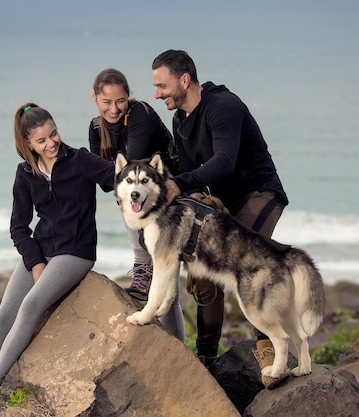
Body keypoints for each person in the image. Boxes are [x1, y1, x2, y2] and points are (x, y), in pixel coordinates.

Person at [151, 49, 290, 389]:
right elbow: (188, 171)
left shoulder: (223, 106)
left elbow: (224, 161)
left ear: (185, 80)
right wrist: (191, 195)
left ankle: (269, 349)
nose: (157, 94)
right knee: (205, 271)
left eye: (161, 85)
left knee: (249, 265)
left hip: (260, 195)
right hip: (224, 204)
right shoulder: (180, 119)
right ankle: (206, 358)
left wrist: (180, 184)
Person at [0, 103, 116, 403]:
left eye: (54, 134)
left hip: (75, 251)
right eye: (42, 140)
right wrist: (35, 261)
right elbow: (18, 227)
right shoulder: (25, 173)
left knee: (31, 305)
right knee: (3, 316)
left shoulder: (80, 160)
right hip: (41, 249)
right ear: (28, 144)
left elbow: (120, 177)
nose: (51, 143)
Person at [89, 68, 185, 341]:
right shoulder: (96, 128)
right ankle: (143, 269)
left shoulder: (140, 113)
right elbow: (107, 182)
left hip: (168, 192)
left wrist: (119, 177)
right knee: (128, 192)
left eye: (120, 101)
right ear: (94, 98)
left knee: (167, 283)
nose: (114, 109)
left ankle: (142, 268)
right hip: (138, 199)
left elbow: (133, 167)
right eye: (106, 102)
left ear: (128, 97)